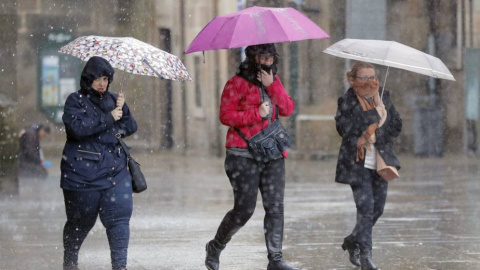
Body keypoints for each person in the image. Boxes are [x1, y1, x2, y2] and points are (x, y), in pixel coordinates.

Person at [205, 43, 298, 270]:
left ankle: (275, 259)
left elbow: (287, 109)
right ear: (253, 57)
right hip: (241, 154)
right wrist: (256, 113)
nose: (268, 62)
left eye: (271, 58)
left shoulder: (273, 81)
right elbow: (225, 116)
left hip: (272, 153)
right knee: (244, 210)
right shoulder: (235, 84)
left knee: (275, 207)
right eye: (263, 57)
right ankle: (216, 246)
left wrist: (273, 86)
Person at [60, 56, 137, 270]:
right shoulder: (74, 101)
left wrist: (123, 110)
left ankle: (120, 266)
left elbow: (130, 127)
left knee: (119, 220)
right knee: (80, 223)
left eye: (105, 78)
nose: (102, 83)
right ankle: (70, 262)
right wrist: (110, 118)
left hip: (116, 172)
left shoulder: (114, 100)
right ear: (87, 79)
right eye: (97, 79)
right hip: (82, 175)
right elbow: (77, 130)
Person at [334, 61, 402, 270]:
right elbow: (345, 128)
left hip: (380, 161)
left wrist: (381, 125)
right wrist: (375, 116)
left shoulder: (384, 97)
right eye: (364, 78)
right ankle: (366, 257)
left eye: (372, 77)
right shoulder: (346, 101)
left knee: (378, 208)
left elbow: (397, 126)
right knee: (365, 207)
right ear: (353, 80)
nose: (369, 82)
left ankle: (353, 240)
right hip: (357, 162)